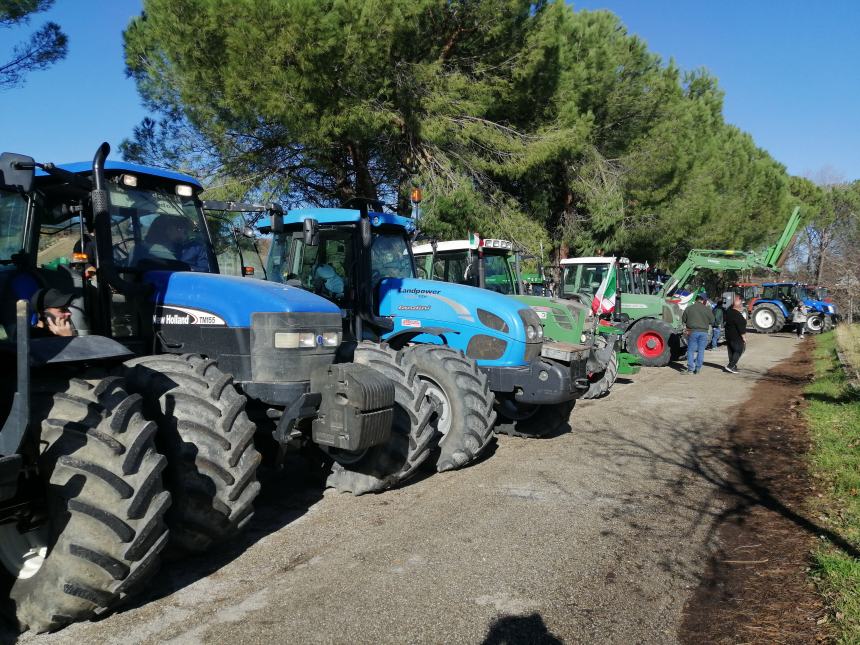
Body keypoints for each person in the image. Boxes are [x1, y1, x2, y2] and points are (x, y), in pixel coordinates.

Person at [682, 293, 715, 374]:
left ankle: (690, 369)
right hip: (703, 332)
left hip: (692, 331)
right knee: (701, 351)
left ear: (696, 299)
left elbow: (684, 319)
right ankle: (698, 368)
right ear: (703, 300)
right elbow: (712, 321)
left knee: (691, 350)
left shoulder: (689, 308)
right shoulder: (707, 309)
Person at [723, 295, 747, 373]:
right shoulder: (738, 316)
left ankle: (733, 367)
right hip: (736, 337)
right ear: (739, 305)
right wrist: (744, 337)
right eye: (741, 304)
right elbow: (741, 328)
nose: (742, 306)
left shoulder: (728, 312)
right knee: (739, 350)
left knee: (731, 351)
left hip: (728, 335)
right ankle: (730, 366)